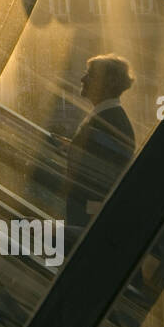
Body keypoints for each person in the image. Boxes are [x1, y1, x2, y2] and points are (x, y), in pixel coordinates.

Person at [62, 54, 135, 235]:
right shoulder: (110, 118)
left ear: (107, 83)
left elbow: (101, 179)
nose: (82, 79)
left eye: (90, 75)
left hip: (85, 216)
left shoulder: (110, 123)